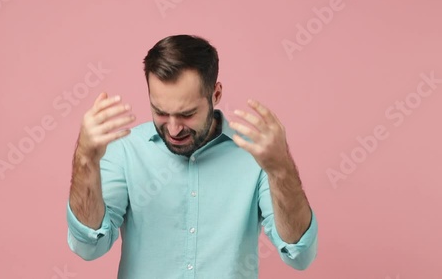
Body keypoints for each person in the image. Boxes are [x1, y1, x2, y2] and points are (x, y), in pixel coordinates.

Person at [66, 34, 318, 278]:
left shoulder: (256, 156)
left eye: (187, 114)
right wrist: (85, 160)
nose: (174, 129)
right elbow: (89, 247)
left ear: (216, 95)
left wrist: (281, 169)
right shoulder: (125, 149)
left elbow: (298, 254)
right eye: (160, 112)